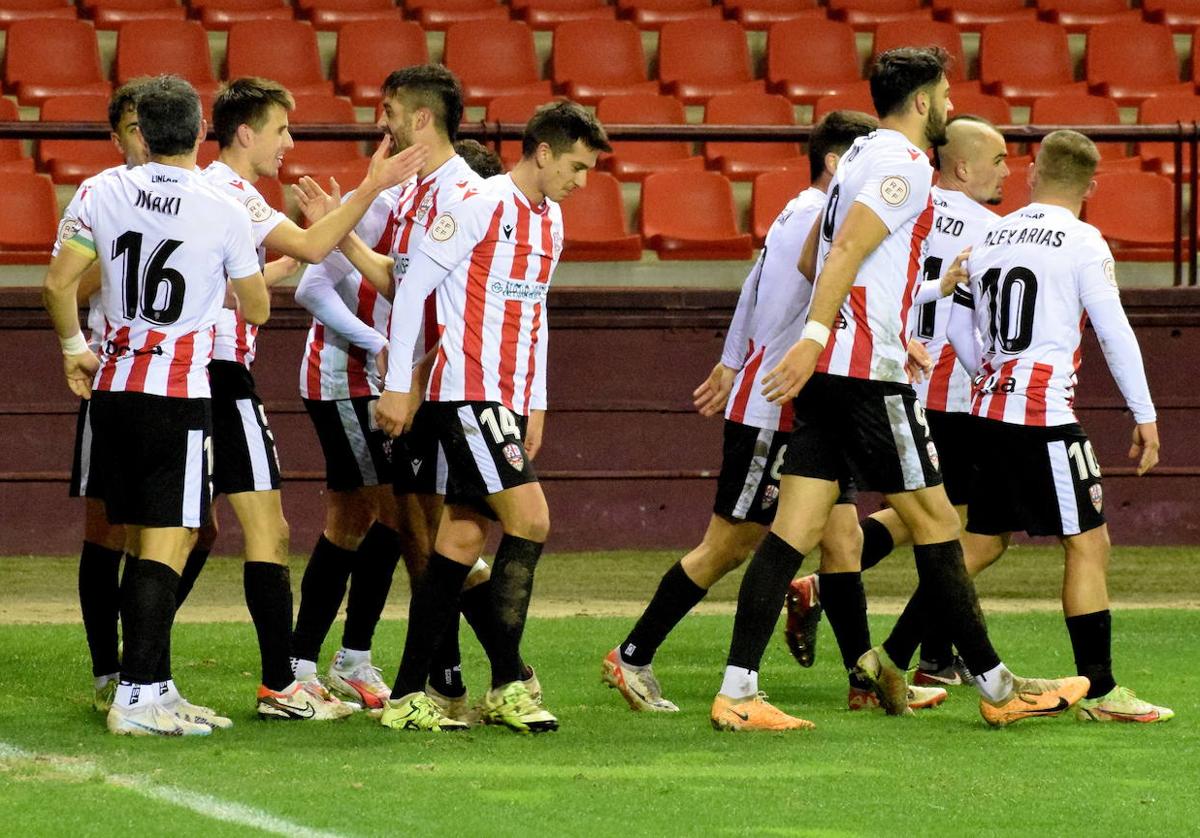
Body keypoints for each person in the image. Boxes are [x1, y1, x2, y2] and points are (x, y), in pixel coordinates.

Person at [713, 46, 1088, 731]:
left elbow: (817, 254)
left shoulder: (857, 156)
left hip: (842, 370)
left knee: (790, 533)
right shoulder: (905, 163)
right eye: (945, 94)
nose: (949, 105)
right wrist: (825, 335)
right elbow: (851, 248)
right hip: (865, 375)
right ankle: (1001, 689)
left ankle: (737, 693)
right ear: (923, 102)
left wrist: (876, 321)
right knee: (941, 524)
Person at [601, 111, 916, 716]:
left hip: (811, 403)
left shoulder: (801, 212)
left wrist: (729, 358)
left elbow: (753, 287)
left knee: (844, 538)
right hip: (777, 404)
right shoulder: (816, 217)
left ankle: (862, 681)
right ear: (836, 163)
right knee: (730, 544)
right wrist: (739, 364)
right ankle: (633, 653)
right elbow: (806, 286)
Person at [367, 101, 611, 732]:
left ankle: (406, 696)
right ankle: (508, 680)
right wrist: (399, 387)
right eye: (577, 167)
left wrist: (537, 398)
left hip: (505, 397)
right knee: (531, 519)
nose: (580, 182)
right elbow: (415, 285)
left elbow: (536, 314)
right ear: (543, 152)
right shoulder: (479, 204)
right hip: (466, 391)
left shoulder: (551, 221)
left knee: (460, 541)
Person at [42, 75, 269, 736]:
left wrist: (71, 349)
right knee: (166, 547)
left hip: (111, 389)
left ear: (141, 129)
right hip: (177, 395)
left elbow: (58, 284)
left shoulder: (101, 190)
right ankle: (138, 696)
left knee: (135, 538)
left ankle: (153, 685)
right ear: (200, 131)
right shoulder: (222, 205)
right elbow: (255, 306)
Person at [199, 76, 426, 720]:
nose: (289, 142)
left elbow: (281, 269)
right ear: (246, 133)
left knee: (189, 534)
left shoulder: (221, 191)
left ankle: (146, 679)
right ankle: (290, 678)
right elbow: (309, 251)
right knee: (272, 529)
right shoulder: (230, 191)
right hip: (220, 372)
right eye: (281, 129)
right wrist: (368, 192)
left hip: (195, 373)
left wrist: (270, 277)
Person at [290, 66, 505, 716]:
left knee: (448, 542)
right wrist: (344, 230)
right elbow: (399, 281)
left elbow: (452, 307)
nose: (379, 119)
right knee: (419, 537)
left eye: (388, 109)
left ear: (420, 118)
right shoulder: (416, 194)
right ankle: (452, 682)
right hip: (417, 388)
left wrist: (398, 378)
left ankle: (492, 676)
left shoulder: (463, 195)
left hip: (447, 387)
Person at [946, 129, 1172, 723]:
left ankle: (891, 656)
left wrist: (987, 374)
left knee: (979, 543)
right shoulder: (1082, 240)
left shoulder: (991, 234)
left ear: (1031, 171)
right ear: (1091, 186)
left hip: (986, 411)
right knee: (1089, 543)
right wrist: (1143, 413)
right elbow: (1112, 329)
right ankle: (1100, 692)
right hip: (1042, 417)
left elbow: (956, 318)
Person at [785, 115, 1009, 688]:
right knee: (954, 525)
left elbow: (853, 267)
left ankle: (923, 651)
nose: (1009, 170)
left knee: (927, 515)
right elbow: (961, 317)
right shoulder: (979, 223)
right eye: (1001, 159)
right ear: (964, 165)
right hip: (923, 383)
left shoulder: (897, 192)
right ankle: (939, 660)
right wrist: (991, 373)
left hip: (892, 374)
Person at [59, 78, 149, 714]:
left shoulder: (199, 194)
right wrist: (124, 250)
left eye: (149, 124)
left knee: (176, 532)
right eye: (130, 127)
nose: (142, 136)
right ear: (115, 137)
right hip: (113, 378)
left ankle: (147, 660)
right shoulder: (99, 196)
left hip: (180, 379)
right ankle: (105, 670)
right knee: (107, 529)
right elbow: (66, 282)